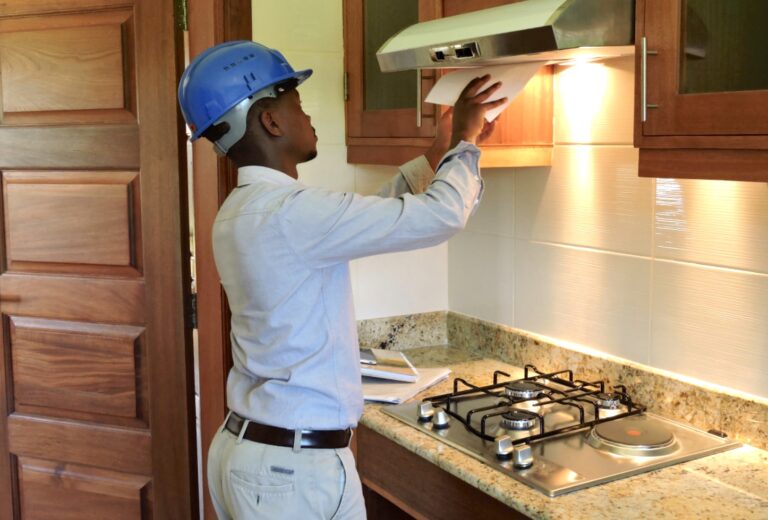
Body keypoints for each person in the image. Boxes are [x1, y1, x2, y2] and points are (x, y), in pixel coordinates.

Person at [178, 40, 507, 520]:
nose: (310, 118)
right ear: (270, 121)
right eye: (300, 106)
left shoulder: (246, 210)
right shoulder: (289, 214)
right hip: (292, 475)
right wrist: (465, 141)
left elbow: (370, 214)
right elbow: (441, 216)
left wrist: (439, 150)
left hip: (254, 456)